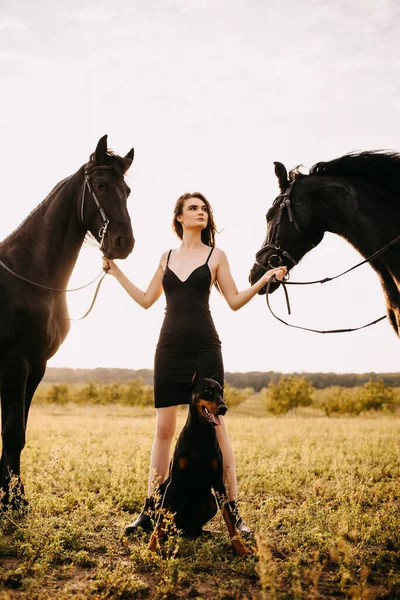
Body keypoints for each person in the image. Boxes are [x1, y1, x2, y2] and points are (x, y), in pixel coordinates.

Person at [102, 192, 287, 536]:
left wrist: (264, 280)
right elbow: (145, 300)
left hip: (205, 347)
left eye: (204, 209)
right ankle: (150, 510)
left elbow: (233, 301)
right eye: (193, 208)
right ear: (179, 218)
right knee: (164, 431)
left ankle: (234, 510)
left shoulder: (217, 256)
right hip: (169, 348)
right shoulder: (166, 256)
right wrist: (115, 272)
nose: (200, 213)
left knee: (218, 428)